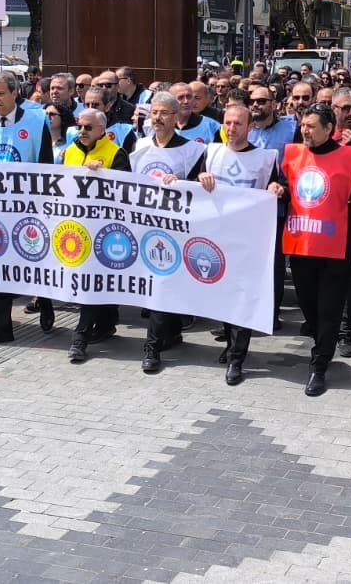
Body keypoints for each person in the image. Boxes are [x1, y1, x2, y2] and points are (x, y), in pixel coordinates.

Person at [279, 105, 351, 396]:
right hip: (301, 244)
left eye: (311, 126)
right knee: (309, 305)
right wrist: (278, 188)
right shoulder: (293, 154)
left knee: (330, 308)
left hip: (337, 247)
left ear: (329, 128)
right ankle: (322, 342)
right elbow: (285, 185)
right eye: (303, 125)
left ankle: (319, 364)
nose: (305, 130)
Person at [0, 71, 59, 347]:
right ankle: (1, 327)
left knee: (35, 259)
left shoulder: (36, 121)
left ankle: (45, 300)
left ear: (14, 92)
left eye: (0, 94)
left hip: (28, 206)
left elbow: (46, 163)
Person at [114, 95, 198, 372]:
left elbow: (198, 189)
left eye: (164, 113)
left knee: (163, 285)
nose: (158, 118)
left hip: (174, 230)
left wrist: (183, 183)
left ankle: (152, 347)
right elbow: (124, 179)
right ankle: (169, 334)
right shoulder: (139, 146)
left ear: (176, 116)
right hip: (144, 226)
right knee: (156, 286)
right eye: (154, 113)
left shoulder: (192, 151)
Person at [201, 105, 281, 385]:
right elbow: (191, 187)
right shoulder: (211, 153)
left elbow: (277, 186)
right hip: (218, 237)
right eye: (227, 123)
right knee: (224, 296)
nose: (231, 128)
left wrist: (276, 188)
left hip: (249, 240)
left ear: (250, 127)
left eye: (237, 123)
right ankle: (230, 343)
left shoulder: (266, 158)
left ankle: (237, 358)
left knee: (243, 297)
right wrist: (199, 178)